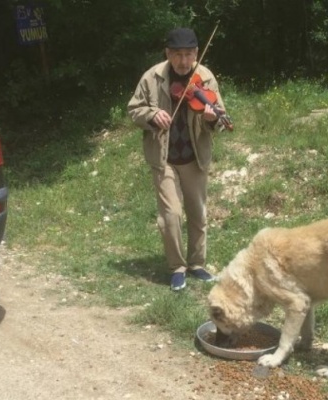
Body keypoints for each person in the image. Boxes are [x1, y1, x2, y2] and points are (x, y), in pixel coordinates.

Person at [127, 27, 227, 291]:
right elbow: (134, 109)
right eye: (178, 55)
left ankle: (197, 264)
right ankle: (177, 267)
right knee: (171, 214)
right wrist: (151, 115)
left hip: (194, 157)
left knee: (198, 213)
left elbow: (219, 114)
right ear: (168, 53)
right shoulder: (152, 77)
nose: (184, 61)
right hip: (164, 157)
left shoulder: (204, 78)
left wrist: (212, 118)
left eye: (189, 55)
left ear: (196, 53)